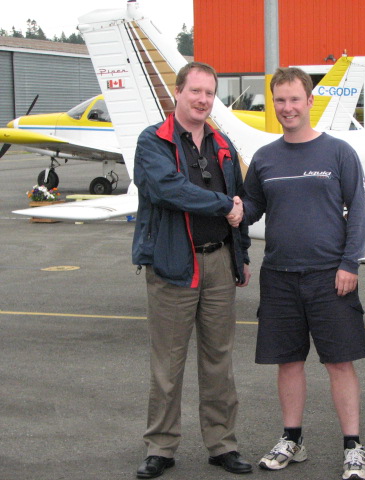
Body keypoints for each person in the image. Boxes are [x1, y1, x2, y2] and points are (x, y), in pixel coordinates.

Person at [240, 67, 365, 480]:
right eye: (280, 100)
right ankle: (292, 440)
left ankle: (353, 447)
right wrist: (215, 207)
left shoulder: (338, 152)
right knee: (289, 363)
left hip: (330, 277)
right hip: (278, 276)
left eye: (295, 99)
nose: (287, 107)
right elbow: (248, 210)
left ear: (310, 101)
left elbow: (360, 211)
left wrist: (350, 263)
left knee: (339, 363)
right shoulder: (264, 158)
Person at [132, 61, 252, 479]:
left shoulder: (221, 141)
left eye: (209, 93)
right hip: (173, 263)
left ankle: (222, 444)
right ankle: (160, 448)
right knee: (168, 362)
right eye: (195, 91)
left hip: (219, 260)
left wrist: (242, 255)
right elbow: (168, 190)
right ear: (177, 93)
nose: (202, 99)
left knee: (219, 359)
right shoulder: (153, 142)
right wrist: (224, 206)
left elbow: (240, 198)